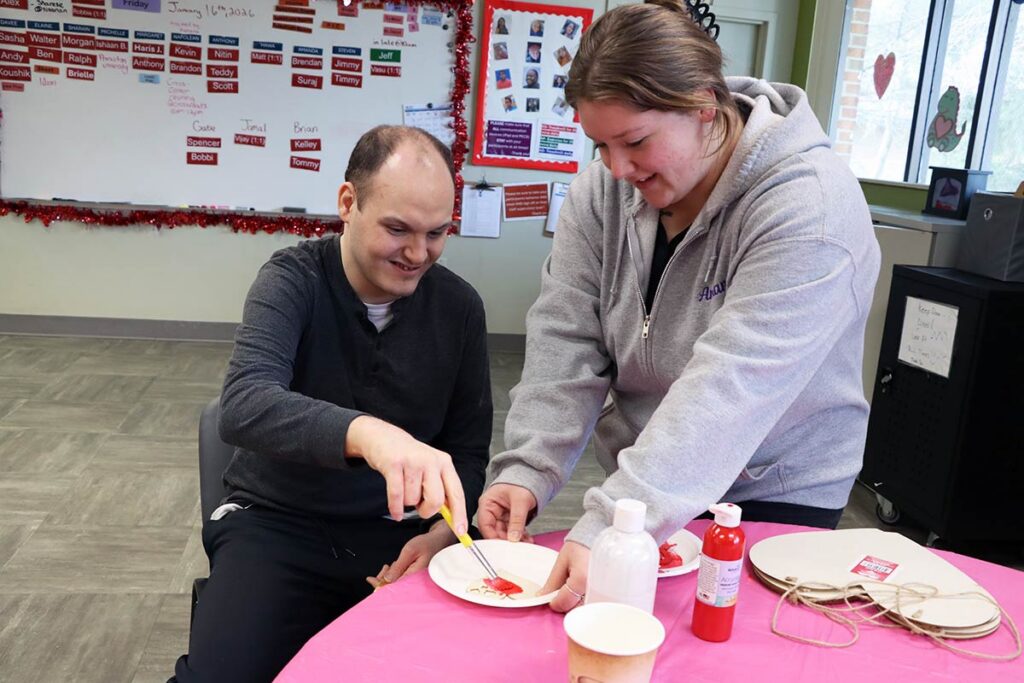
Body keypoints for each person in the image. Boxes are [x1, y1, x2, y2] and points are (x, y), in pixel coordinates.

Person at [477, 0, 880, 614]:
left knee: (727, 646)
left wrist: (612, 523)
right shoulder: (604, 188)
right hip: (645, 482)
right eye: (599, 145)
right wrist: (527, 468)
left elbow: (731, 389)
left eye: (635, 141)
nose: (616, 168)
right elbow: (566, 337)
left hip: (771, 489)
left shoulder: (810, 211)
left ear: (703, 106)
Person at [173, 126, 492, 681]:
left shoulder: (459, 307)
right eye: (398, 230)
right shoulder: (291, 280)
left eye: (437, 233)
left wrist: (439, 534)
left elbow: (465, 450)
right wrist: (370, 434)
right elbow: (246, 403)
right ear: (348, 203)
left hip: (398, 538)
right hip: (277, 524)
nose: (419, 254)